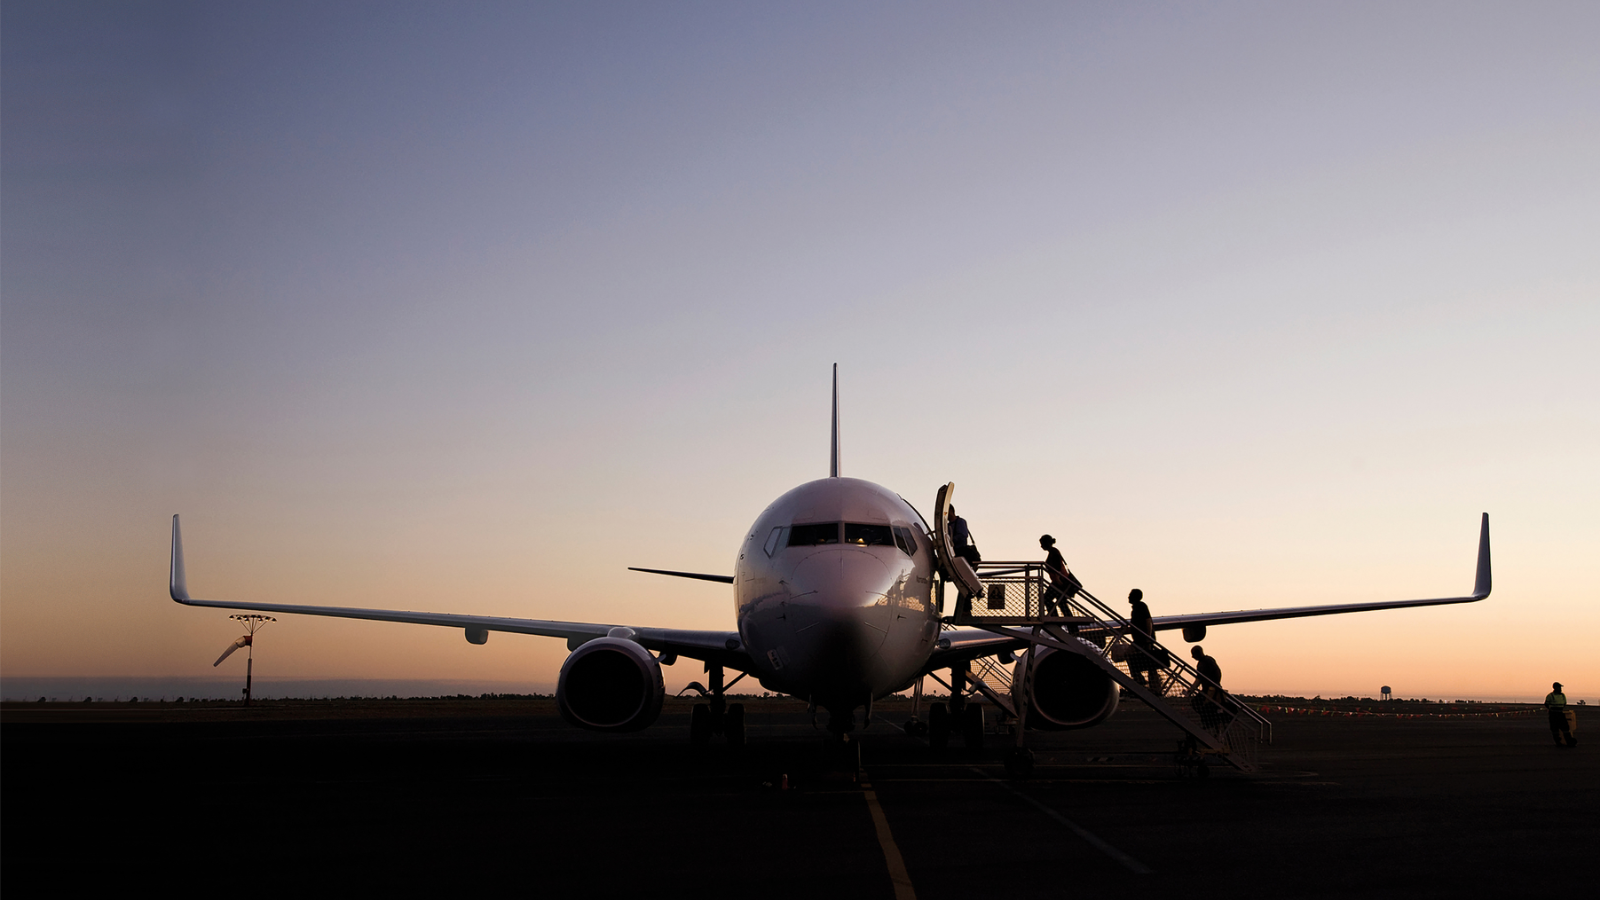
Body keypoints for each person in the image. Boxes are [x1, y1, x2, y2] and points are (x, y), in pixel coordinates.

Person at [1126, 588, 1163, 692]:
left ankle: (1142, 680)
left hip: (1143, 640)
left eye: (1130, 595)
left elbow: (1148, 621)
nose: (1128, 597)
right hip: (1140, 640)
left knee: (1131, 655)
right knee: (1148, 663)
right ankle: (1150, 684)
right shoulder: (1136, 608)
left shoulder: (1141, 606)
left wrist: (1148, 637)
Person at [1190, 645, 1228, 731]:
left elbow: (1199, 679)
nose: (1192, 657)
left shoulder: (1204, 663)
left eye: (1193, 654)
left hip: (1211, 690)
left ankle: (1209, 724)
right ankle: (1212, 726)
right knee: (1210, 708)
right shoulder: (1208, 660)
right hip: (1212, 689)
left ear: (1198, 653)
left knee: (1199, 704)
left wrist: (1191, 690)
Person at [1038, 535, 1073, 617]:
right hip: (1059, 580)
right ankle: (1071, 626)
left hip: (1059, 581)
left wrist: (1057, 578)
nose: (1041, 546)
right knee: (1061, 602)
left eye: (1042, 544)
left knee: (1046, 598)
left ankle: (1054, 615)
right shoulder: (1053, 552)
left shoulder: (1054, 552)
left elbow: (1057, 565)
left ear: (1047, 543)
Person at [1545, 682, 1576, 747]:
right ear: (1555, 687)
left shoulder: (1562, 695)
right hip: (1553, 714)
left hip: (1560, 713)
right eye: (1559, 687)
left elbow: (1564, 703)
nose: (1560, 689)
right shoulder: (1550, 696)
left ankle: (1569, 741)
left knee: (1565, 728)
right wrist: (1552, 709)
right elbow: (1546, 704)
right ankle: (1558, 742)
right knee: (1555, 729)